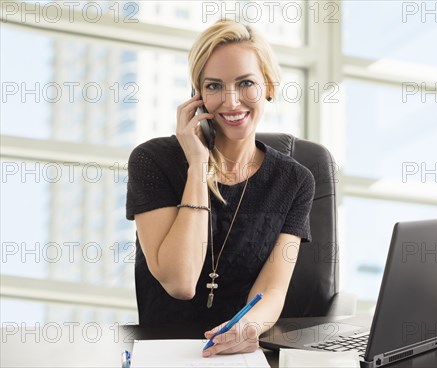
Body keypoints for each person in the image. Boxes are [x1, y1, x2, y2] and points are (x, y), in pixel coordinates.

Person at [125, 18, 315, 357]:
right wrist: (198, 167)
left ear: (268, 86)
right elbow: (181, 283)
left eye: (245, 83)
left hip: (240, 354)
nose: (230, 101)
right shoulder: (152, 161)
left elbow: (272, 289)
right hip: (163, 352)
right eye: (214, 86)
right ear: (197, 96)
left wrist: (247, 328)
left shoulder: (295, 181)